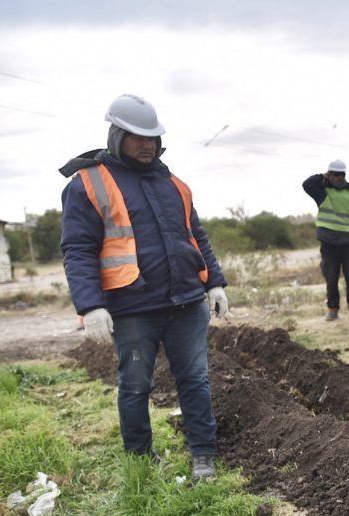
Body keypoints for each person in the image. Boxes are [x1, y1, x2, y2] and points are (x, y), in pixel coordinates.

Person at [59, 94, 228, 482]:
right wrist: (90, 306)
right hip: (133, 308)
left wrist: (215, 283)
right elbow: (78, 249)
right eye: (137, 136)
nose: (147, 144)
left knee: (196, 381)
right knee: (136, 386)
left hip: (186, 302)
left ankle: (203, 455)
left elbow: (195, 235)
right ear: (117, 134)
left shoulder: (174, 183)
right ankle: (141, 461)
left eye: (152, 137)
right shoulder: (87, 184)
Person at [302, 159, 349, 320]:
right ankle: (332, 309)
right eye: (335, 174)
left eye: (341, 174)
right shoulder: (323, 192)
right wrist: (323, 176)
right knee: (331, 277)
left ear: (345, 175)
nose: (339, 177)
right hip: (329, 243)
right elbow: (307, 184)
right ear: (330, 175)